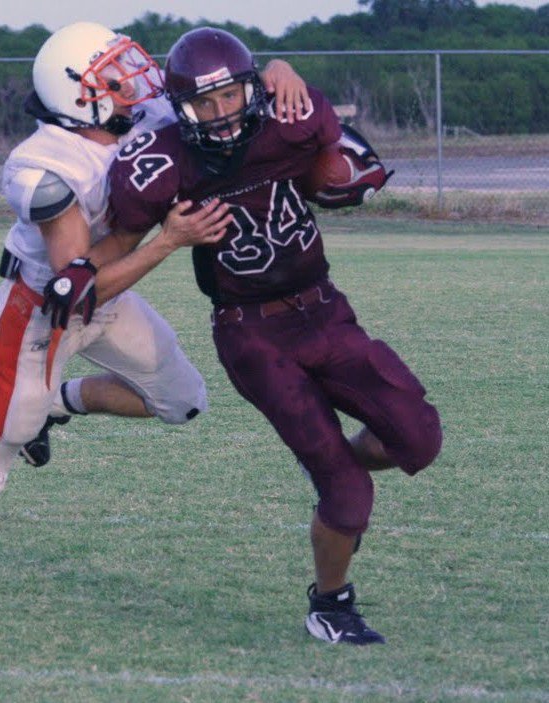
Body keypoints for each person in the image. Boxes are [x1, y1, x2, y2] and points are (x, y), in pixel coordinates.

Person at [0, 21, 309, 586]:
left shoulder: (144, 115)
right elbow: (76, 286)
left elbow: (224, 90)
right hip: (41, 312)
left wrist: (278, 73)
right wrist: (170, 241)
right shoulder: (44, 167)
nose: (135, 79)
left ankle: (56, 405)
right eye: (115, 75)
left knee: (182, 401)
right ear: (79, 96)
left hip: (110, 295)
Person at [74, 27, 442, 645]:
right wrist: (169, 240)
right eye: (202, 104)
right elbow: (93, 277)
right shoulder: (159, 166)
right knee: (347, 495)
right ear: (177, 108)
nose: (221, 116)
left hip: (326, 311)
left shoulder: (291, 117)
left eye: (232, 96)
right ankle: (331, 603)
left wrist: (283, 68)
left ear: (253, 88)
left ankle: (331, 467)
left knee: (419, 439)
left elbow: (341, 156)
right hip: (252, 336)